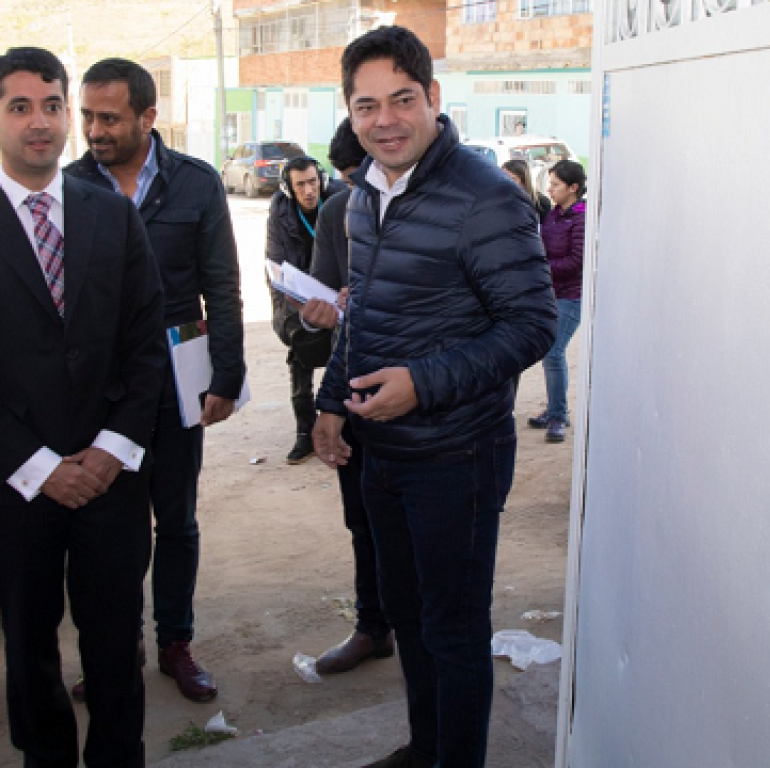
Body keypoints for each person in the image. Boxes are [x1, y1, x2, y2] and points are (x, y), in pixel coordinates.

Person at [311, 26, 557, 768]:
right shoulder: (362, 196)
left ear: (433, 98)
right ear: (349, 112)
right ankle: (426, 750)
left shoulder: (486, 198)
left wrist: (421, 385)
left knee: (452, 630)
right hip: (381, 451)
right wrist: (331, 398)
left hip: (457, 454)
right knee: (409, 615)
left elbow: (531, 325)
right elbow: (365, 310)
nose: (385, 120)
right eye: (366, 106)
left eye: (402, 99)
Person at [0, 47, 165, 767]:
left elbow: (147, 347)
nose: (40, 122)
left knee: (115, 642)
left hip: (111, 479)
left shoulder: (113, 216)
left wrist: (111, 451)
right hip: (17, 487)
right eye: (19, 107)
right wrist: (41, 467)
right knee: (29, 648)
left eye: (52, 105)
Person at [65, 57, 246, 703]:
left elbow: (220, 282)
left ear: (148, 117)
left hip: (177, 374)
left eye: (109, 118)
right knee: (109, 526)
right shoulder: (68, 186)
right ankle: (119, 647)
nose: (95, 131)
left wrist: (226, 373)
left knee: (176, 519)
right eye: (88, 116)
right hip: (101, 387)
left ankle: (175, 642)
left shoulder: (195, 183)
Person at [291, 119, 397, 675]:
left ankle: (421, 631)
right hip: (352, 385)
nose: (355, 188)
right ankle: (373, 627)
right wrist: (319, 312)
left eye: (360, 176)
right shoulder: (338, 212)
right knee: (362, 519)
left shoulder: (439, 205)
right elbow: (324, 293)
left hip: (422, 398)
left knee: (417, 527)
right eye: (348, 178)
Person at [265, 154, 347, 464]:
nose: (308, 191)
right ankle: (304, 431)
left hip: (337, 288)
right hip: (300, 293)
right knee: (299, 346)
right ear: (289, 188)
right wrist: (286, 315)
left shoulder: (340, 199)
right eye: (300, 185)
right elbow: (275, 263)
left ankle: (342, 423)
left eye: (312, 182)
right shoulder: (280, 211)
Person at [527, 159, 586, 443]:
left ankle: (559, 416)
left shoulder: (581, 217)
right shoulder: (552, 214)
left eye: (555, 184)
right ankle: (553, 410)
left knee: (553, 352)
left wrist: (540, 267)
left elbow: (576, 261)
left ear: (573, 188)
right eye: (549, 184)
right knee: (548, 354)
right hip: (550, 293)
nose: (549, 189)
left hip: (571, 296)